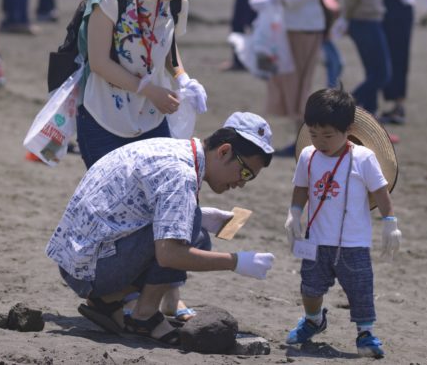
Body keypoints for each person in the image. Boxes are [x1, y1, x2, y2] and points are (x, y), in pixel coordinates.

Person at [46, 112, 277, 346]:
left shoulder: (176, 149)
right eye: (245, 172)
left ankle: (108, 301)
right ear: (224, 151)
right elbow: (169, 255)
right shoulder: (182, 174)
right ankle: (144, 318)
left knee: (191, 222)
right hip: (89, 270)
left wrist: (200, 214)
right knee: (191, 234)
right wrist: (236, 262)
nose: (242, 184)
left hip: (78, 259)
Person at [77, 0, 217, 169]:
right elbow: (99, 62)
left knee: (153, 195)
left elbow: (166, 49)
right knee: (112, 198)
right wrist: (150, 90)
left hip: (152, 119)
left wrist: (183, 78)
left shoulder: (176, 3)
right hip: (103, 116)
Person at [283, 89, 400, 357]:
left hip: (353, 242)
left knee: (360, 289)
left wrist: (390, 222)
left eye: (328, 135)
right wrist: (294, 212)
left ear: (348, 130)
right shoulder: (308, 156)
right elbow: (301, 186)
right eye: (313, 134)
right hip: (316, 239)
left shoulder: (363, 158)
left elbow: (381, 192)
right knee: (309, 287)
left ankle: (365, 334)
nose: (320, 141)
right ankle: (313, 320)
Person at [248, 0, 326, 151]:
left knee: (299, 85)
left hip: (302, 26)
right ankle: (300, 140)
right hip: (291, 25)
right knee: (291, 83)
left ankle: (303, 142)